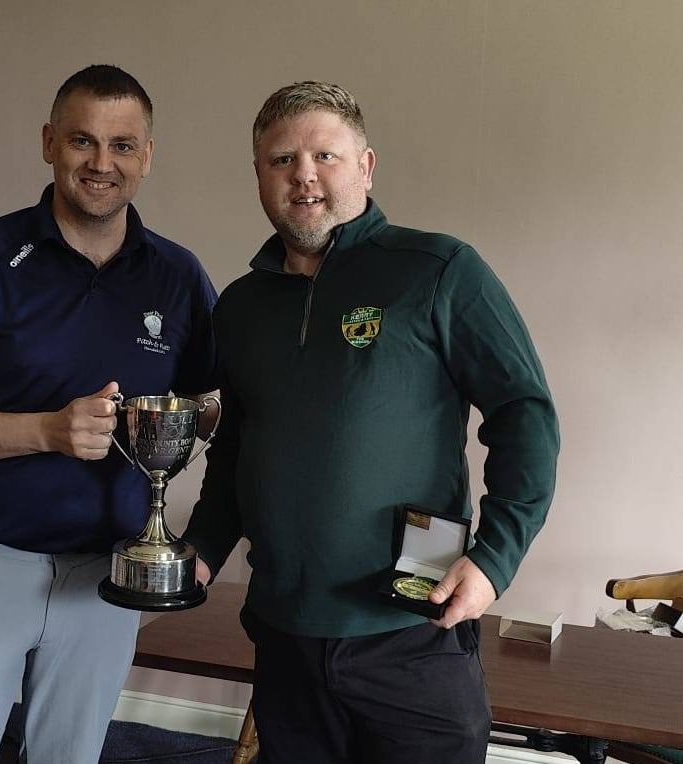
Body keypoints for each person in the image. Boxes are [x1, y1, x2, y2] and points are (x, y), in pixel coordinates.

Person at [184, 81, 559, 763]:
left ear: (366, 166)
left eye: (325, 155)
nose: (303, 175)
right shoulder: (240, 306)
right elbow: (234, 447)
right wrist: (203, 548)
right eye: (281, 160)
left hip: (412, 629)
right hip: (284, 631)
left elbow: (523, 412)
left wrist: (494, 557)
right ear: (260, 174)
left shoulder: (440, 270)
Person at [0, 65, 218, 764]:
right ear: (48, 143)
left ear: (147, 156)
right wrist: (48, 429)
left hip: (107, 577)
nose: (102, 164)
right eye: (82, 141)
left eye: (123, 146)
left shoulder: (179, 276)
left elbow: (211, 403)